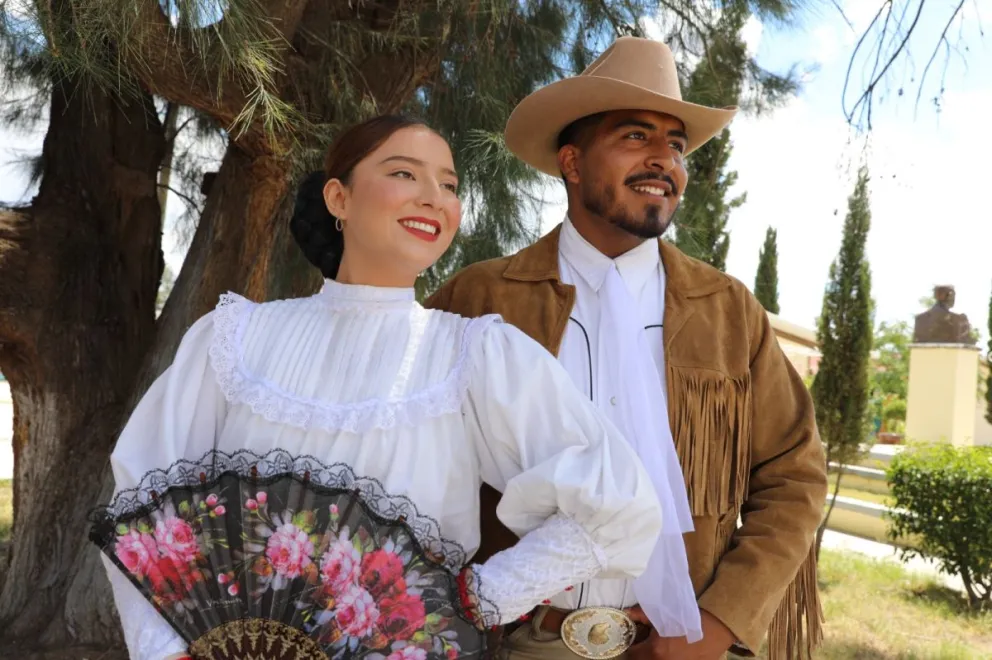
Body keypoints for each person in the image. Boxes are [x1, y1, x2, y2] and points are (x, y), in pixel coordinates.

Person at [100, 114, 666, 659]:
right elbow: (142, 502)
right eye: (403, 173)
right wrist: (166, 651)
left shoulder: (475, 357)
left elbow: (616, 503)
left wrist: (478, 599)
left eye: (448, 184)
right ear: (338, 198)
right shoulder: (234, 340)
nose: (432, 196)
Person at [426, 36, 829, 660]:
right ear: (572, 162)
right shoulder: (482, 298)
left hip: (675, 643)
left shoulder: (727, 311)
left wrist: (721, 619)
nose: (663, 159)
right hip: (510, 644)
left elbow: (793, 474)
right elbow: (407, 456)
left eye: (675, 144)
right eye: (636, 137)